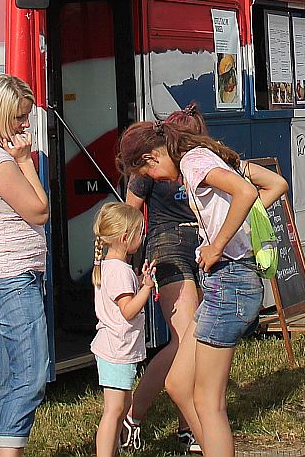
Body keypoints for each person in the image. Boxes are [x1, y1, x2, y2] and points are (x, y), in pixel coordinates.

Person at [116, 118, 288, 457]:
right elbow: (271, 187)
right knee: (178, 382)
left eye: (146, 174)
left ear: (152, 158)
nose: (151, 182)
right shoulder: (202, 156)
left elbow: (247, 192)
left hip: (231, 280)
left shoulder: (193, 163)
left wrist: (218, 243)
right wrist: (236, 226)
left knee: (208, 403)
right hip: (225, 282)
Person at [0, 75, 52, 457]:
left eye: (26, 117)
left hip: (4, 272)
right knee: (31, 375)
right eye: (19, 117)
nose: (25, 125)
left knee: (8, 372)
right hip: (11, 274)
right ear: (0, 114)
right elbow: (39, 210)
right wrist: (25, 162)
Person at [121, 108, 209, 454]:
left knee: (197, 342)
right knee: (185, 338)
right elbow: (131, 211)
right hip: (166, 243)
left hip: (202, 243)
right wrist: (121, 261)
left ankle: (188, 427)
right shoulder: (152, 165)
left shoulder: (201, 158)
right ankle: (132, 418)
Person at [92, 203, 155, 457]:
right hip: (116, 350)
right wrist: (147, 288)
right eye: (139, 234)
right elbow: (127, 310)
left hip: (116, 348)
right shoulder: (118, 270)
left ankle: (113, 450)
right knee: (115, 409)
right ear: (125, 237)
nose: (142, 238)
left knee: (121, 404)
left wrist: (139, 283)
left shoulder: (110, 267)